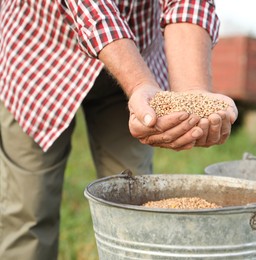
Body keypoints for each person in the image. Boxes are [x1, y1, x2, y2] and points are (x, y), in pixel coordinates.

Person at [0, 0, 237, 259]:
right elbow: (89, 7)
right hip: (42, 53)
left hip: (135, 54)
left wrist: (193, 91)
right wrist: (137, 82)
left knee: (134, 201)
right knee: (29, 206)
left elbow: (189, 4)